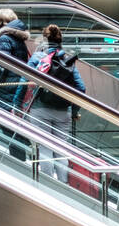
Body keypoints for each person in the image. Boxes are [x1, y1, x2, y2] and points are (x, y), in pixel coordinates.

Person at [16, 24, 87, 184]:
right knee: (61, 151)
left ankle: (48, 187)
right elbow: (81, 88)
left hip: (39, 110)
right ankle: (63, 186)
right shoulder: (67, 60)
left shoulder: (37, 58)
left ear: (44, 39)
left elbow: (23, 82)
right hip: (63, 112)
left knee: (45, 149)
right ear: (60, 40)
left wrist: (18, 104)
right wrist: (74, 111)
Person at [0, 7, 29, 109]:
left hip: (3, 86)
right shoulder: (19, 40)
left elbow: (2, 65)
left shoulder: (4, 38)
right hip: (15, 84)